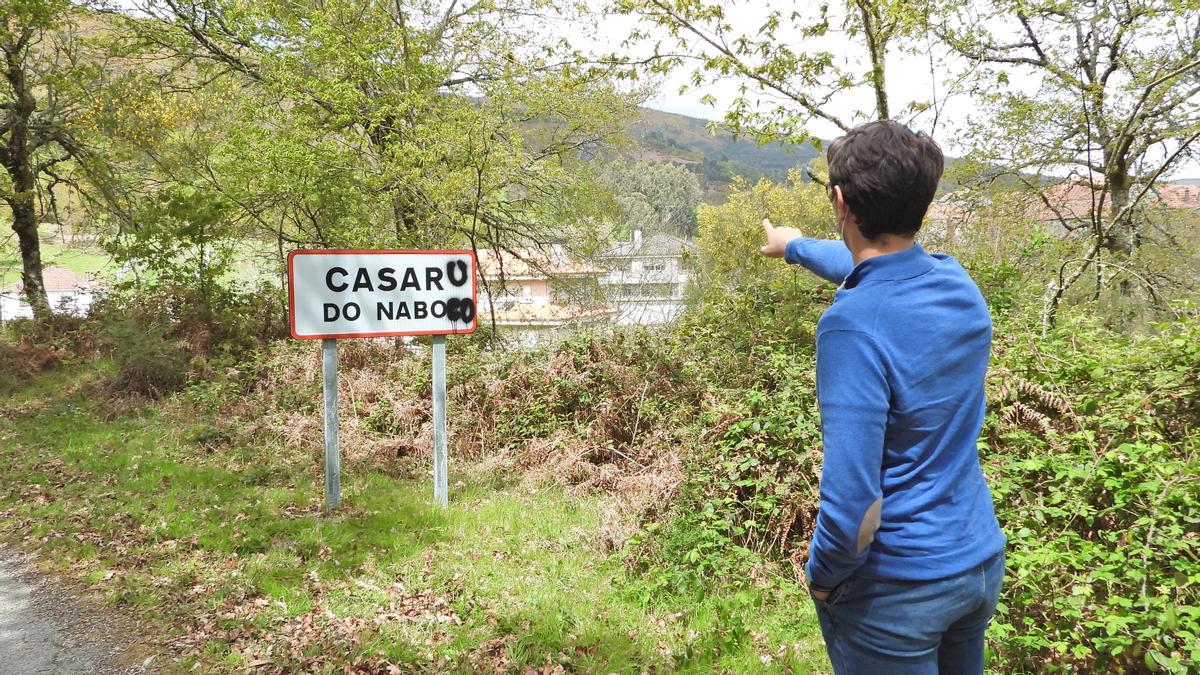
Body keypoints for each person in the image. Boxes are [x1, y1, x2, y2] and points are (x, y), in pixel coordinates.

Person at [759, 120, 1006, 674]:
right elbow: (872, 266)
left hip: (898, 590)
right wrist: (794, 246)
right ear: (922, 200)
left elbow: (854, 501)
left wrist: (822, 578)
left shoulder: (850, 327)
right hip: (976, 564)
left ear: (841, 202)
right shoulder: (955, 282)